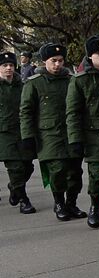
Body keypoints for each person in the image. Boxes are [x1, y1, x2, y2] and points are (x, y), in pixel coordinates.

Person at [19, 43, 83, 221]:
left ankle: (71, 203)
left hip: (71, 132)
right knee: (58, 170)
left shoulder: (71, 80)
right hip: (48, 135)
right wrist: (27, 137)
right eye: (53, 61)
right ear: (44, 61)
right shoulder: (34, 83)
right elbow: (25, 112)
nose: (57, 65)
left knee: (75, 171)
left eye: (60, 61)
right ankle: (59, 203)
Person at [66, 35, 99, 228]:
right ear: (90, 56)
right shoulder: (80, 80)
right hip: (93, 135)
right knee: (97, 175)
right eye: (98, 54)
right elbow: (73, 112)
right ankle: (95, 206)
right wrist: (75, 140)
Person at [1, 51, 37, 214]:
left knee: (28, 167)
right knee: (15, 167)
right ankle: (23, 199)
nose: (8, 68)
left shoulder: (22, 85)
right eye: (4, 65)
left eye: (11, 65)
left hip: (22, 130)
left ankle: (14, 187)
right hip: (3, 133)